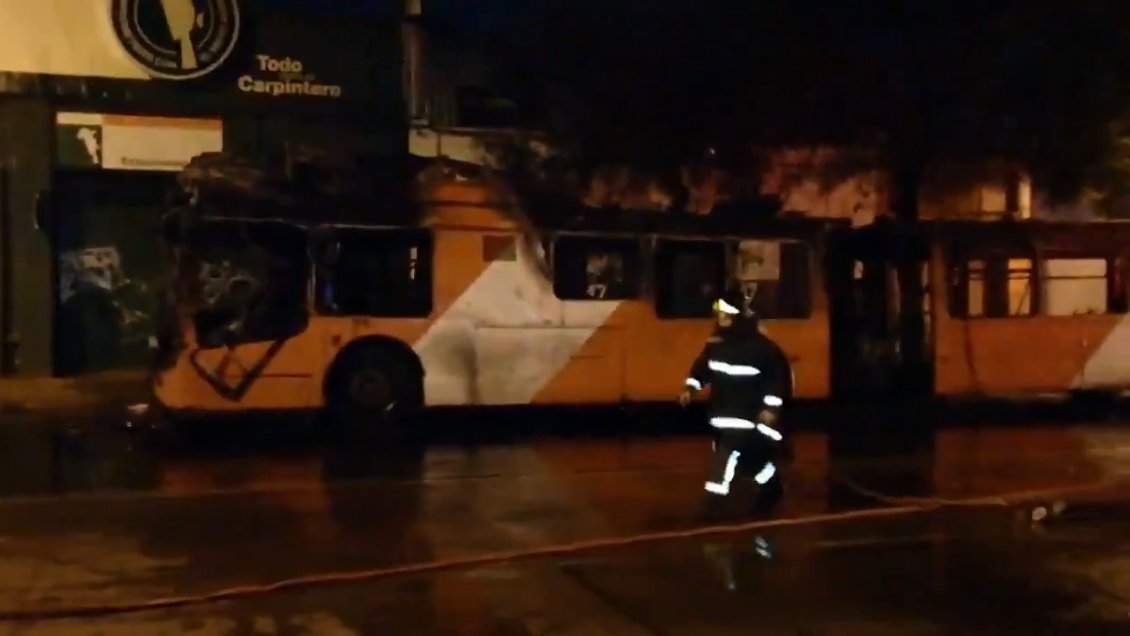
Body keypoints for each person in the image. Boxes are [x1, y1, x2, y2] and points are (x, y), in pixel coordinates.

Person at [679, 288, 792, 518]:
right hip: (723, 416)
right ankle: (771, 486)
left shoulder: (762, 348)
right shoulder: (716, 345)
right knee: (751, 461)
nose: (720, 317)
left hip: (748, 419)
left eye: (725, 313)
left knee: (725, 458)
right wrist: (690, 388)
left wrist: (771, 409)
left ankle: (713, 503)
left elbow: (776, 381)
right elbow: (702, 369)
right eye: (719, 313)